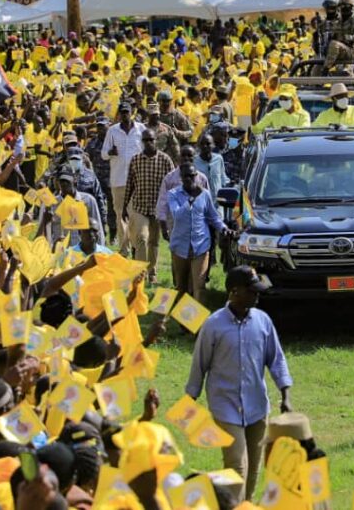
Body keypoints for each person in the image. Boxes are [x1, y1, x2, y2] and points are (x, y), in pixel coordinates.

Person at [185, 265, 293, 504]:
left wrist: (285, 394)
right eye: (251, 291)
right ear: (234, 291)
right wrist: (190, 399)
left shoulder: (263, 321)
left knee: (253, 467)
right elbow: (199, 363)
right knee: (236, 465)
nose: (257, 295)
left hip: (257, 406)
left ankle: (247, 505)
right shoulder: (213, 325)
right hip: (225, 407)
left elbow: (276, 359)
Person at [162, 164, 230, 300]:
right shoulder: (173, 194)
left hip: (201, 245)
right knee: (181, 287)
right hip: (180, 247)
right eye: (186, 176)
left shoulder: (204, 194)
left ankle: (198, 321)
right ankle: (182, 320)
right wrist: (192, 199)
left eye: (192, 176)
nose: (189, 179)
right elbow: (177, 215)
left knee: (199, 287)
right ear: (181, 177)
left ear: (196, 176)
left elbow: (213, 216)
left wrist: (224, 228)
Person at [123, 128, 175, 284]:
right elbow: (130, 183)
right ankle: (140, 274)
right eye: (145, 141)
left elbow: (172, 184)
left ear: (156, 140)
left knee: (153, 242)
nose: (148, 143)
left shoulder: (165, 160)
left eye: (151, 140)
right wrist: (125, 205)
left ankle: (152, 273)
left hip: (157, 209)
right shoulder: (136, 160)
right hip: (139, 207)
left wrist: (170, 208)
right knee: (141, 238)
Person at [101, 103, 145, 255]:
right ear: (119, 114)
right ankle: (123, 249)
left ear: (132, 113)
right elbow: (103, 154)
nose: (125, 115)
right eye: (122, 112)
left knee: (134, 214)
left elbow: (147, 151)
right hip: (118, 179)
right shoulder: (112, 131)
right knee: (120, 215)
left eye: (127, 112)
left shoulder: (141, 129)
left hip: (137, 180)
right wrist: (110, 151)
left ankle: (134, 245)